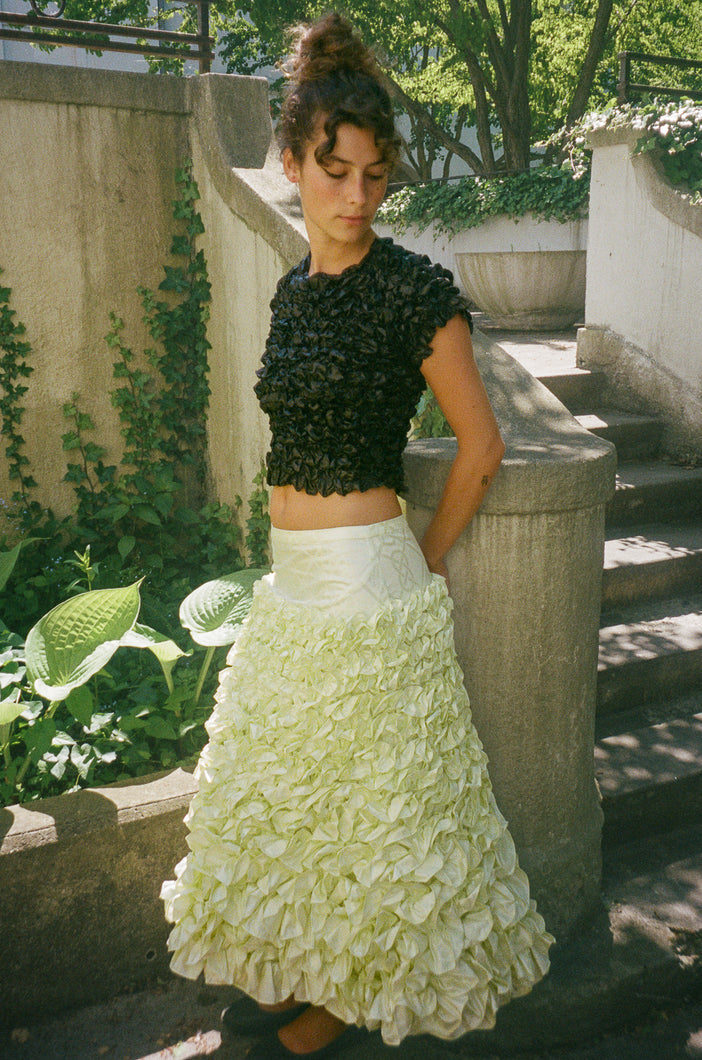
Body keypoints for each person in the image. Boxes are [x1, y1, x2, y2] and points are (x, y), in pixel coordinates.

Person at [161, 12, 553, 1058]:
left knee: (383, 816)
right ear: (291, 162)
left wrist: (424, 565)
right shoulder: (293, 292)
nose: (355, 195)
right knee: (305, 804)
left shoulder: (416, 292)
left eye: (375, 176)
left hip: (376, 589)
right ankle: (308, 977)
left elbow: (480, 447)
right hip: (292, 592)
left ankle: (345, 1002)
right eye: (335, 171)